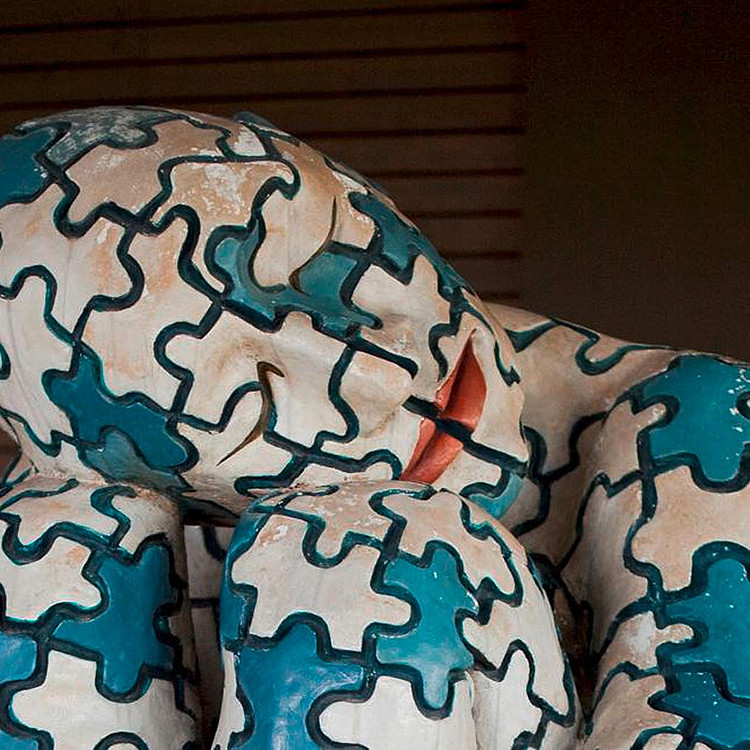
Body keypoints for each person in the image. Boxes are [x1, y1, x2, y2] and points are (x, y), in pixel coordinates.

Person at [0, 107, 746, 748]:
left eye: (317, 247)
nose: (380, 372)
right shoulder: (126, 506)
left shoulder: (694, 422)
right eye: (258, 408)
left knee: (366, 556)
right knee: (35, 554)